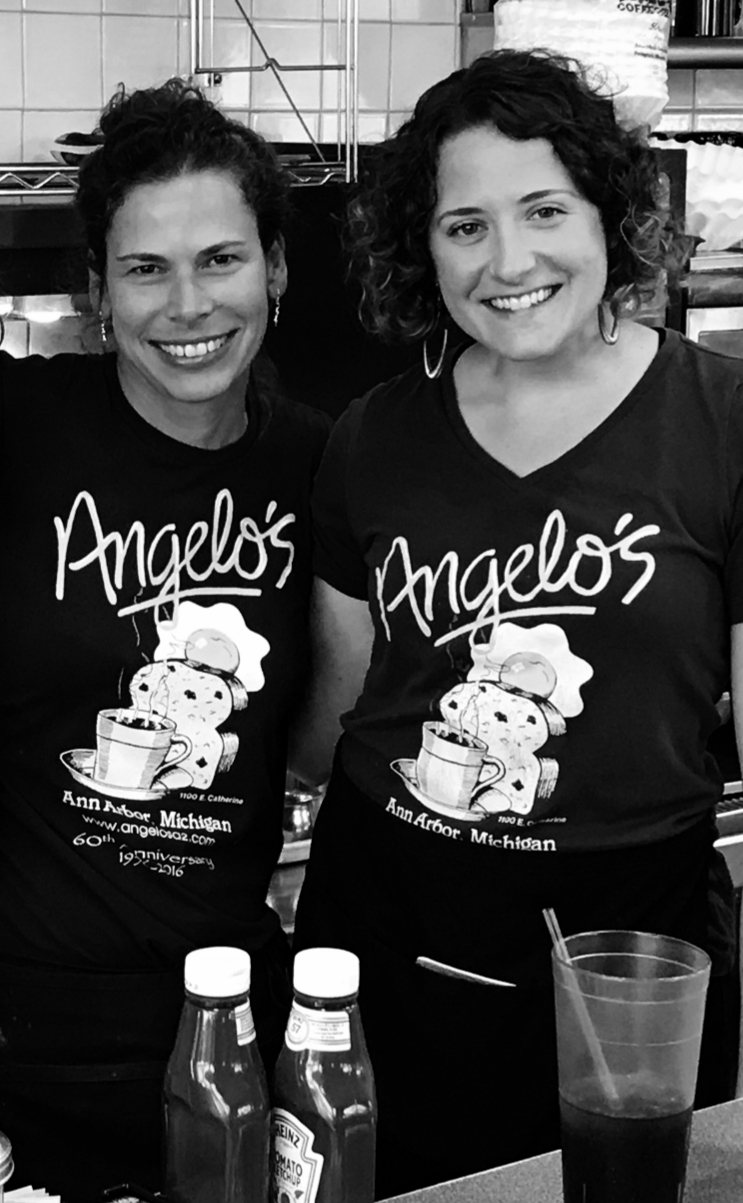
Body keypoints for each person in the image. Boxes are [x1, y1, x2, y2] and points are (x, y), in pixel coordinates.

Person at [291, 50, 743, 1197]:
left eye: (543, 209)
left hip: (630, 946)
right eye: (464, 226)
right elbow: (337, 716)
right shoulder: (371, 437)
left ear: (607, 213)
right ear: (422, 249)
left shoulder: (721, 423)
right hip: (387, 920)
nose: (507, 261)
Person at [0, 78, 330, 1199]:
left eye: (220, 259)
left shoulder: (324, 465)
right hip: (23, 1026)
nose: (187, 305)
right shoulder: (24, 430)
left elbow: (320, 735)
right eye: (145, 268)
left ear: (273, 268)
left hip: (227, 1014)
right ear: (98, 290)